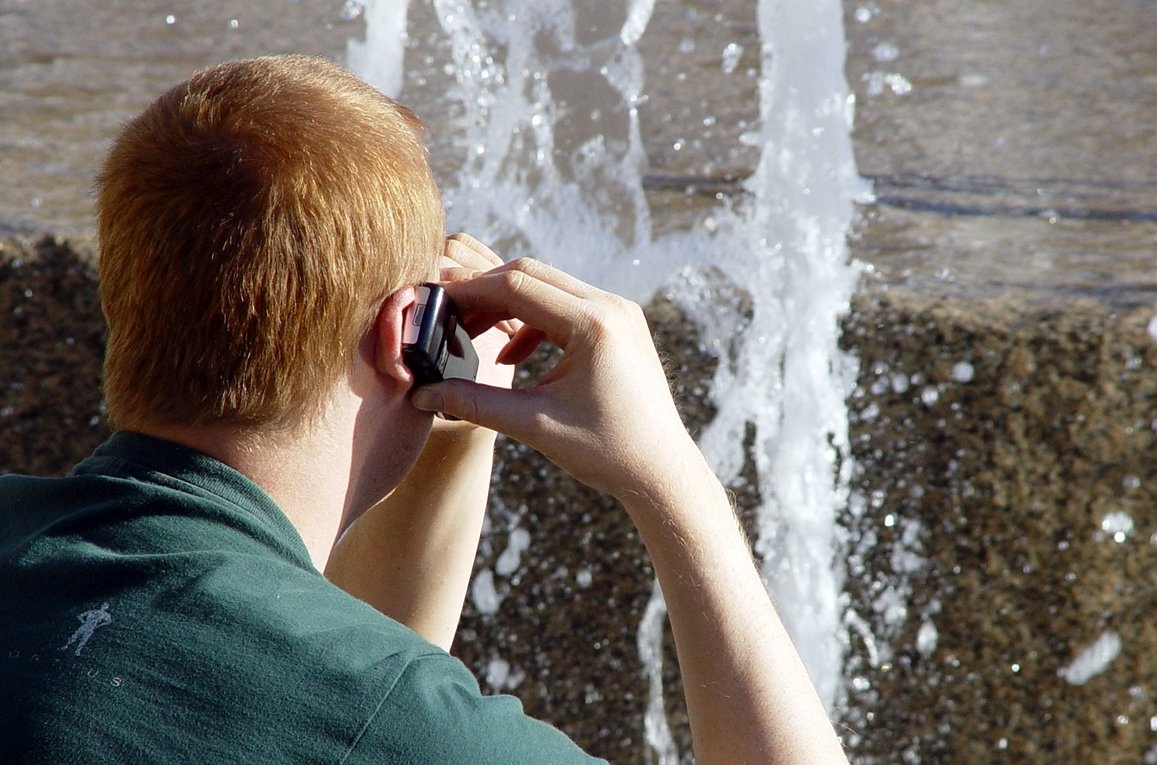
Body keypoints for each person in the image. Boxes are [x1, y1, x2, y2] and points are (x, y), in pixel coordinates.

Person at [0, 54, 848, 764]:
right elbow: (360, 702)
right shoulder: (388, 712)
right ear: (413, 330)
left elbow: (343, 676)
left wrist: (455, 434)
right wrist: (672, 475)